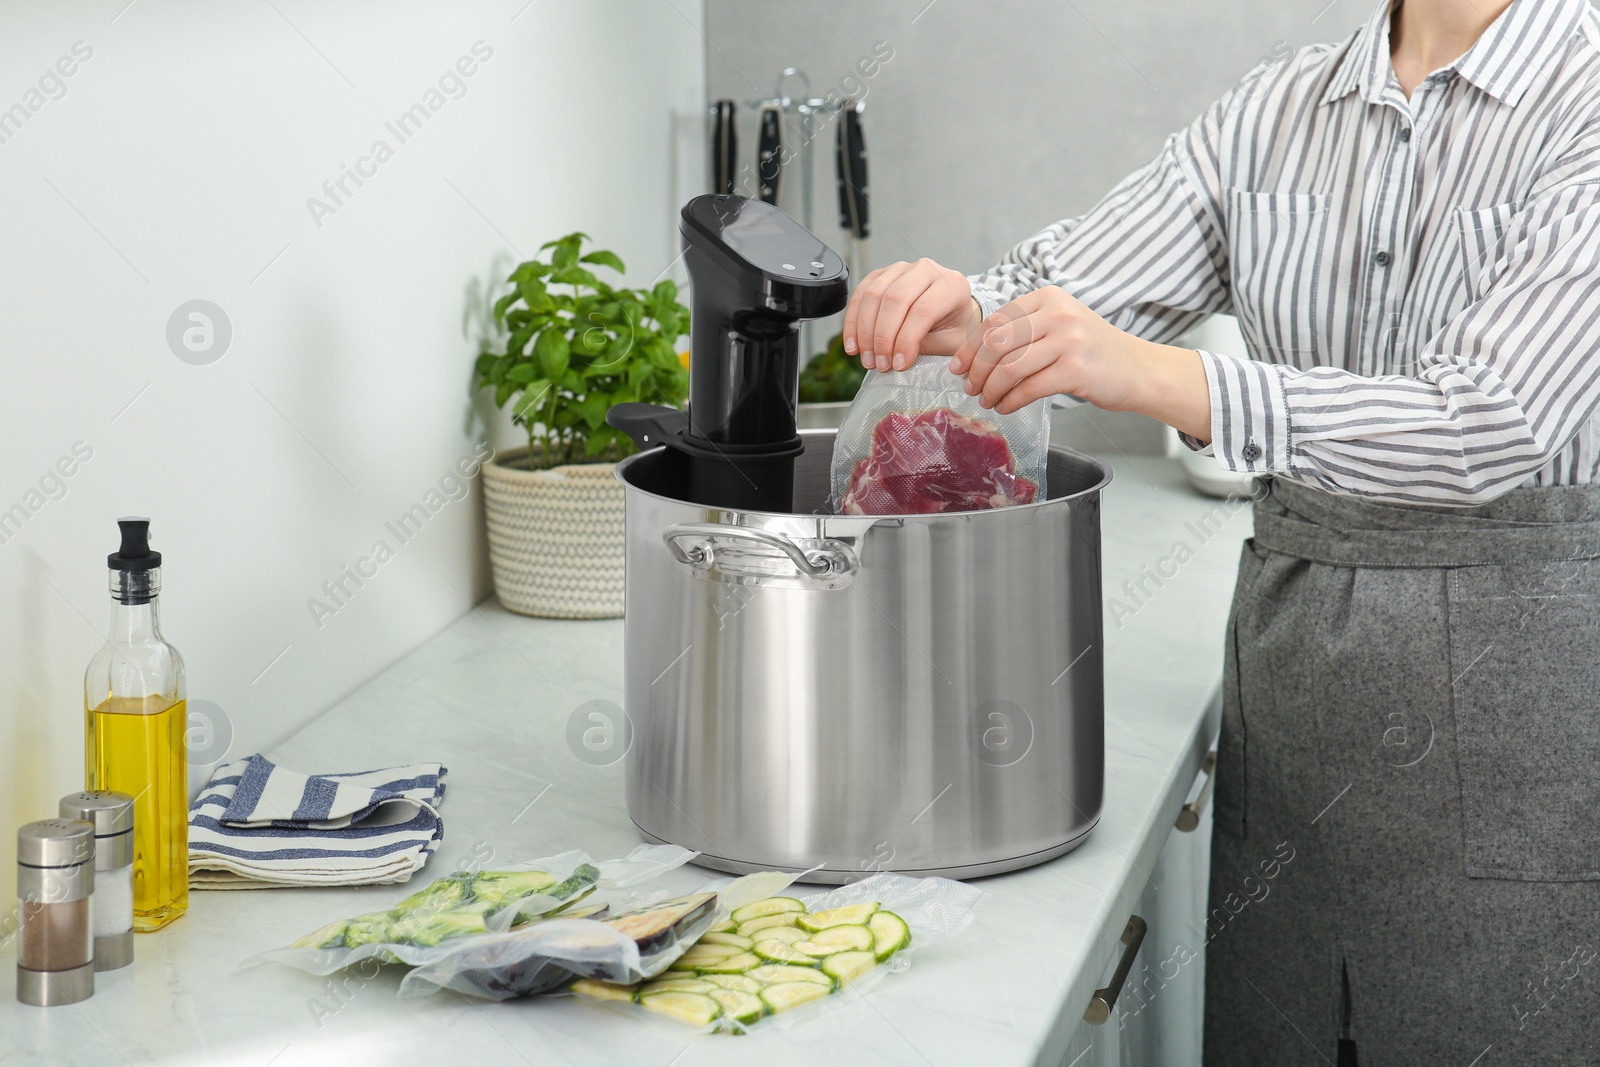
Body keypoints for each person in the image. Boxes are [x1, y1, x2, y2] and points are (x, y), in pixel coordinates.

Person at [840, 0, 1600, 1063]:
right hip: (1295, 692)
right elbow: (1065, 291)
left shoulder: (1584, 92)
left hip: (1520, 721)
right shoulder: (1276, 106)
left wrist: (1158, 376)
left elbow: (1488, 422)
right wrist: (963, 311)